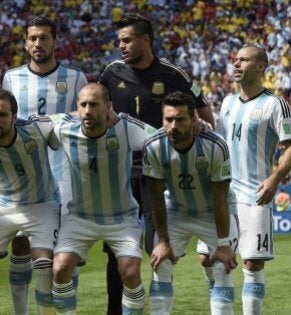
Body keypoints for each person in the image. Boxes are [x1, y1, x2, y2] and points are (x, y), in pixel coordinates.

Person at [99, 14, 215, 314]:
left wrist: (200, 128)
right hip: (120, 174)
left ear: (146, 40)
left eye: (127, 40)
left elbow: (206, 115)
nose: (121, 46)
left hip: (159, 176)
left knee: (158, 249)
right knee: (118, 251)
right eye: (119, 41)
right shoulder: (111, 73)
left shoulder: (174, 74)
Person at [198, 44, 291, 314]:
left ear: (260, 66)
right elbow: (220, 143)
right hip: (222, 194)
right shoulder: (228, 102)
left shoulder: (275, 104)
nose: (236, 64)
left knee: (252, 264)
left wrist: (275, 177)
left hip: (255, 195)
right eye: (235, 59)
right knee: (208, 260)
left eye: (244, 60)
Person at [1, 16, 87, 313]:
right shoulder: (11, 78)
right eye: (33, 38)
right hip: (25, 178)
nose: (38, 43)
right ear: (26, 42)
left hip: (66, 177)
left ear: (55, 42)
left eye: (44, 38)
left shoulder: (76, 79)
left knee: (66, 249)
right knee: (21, 245)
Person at [51, 83, 155, 315]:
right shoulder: (65, 128)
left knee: (129, 272)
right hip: (79, 218)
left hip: (121, 219)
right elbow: (34, 124)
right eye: (83, 105)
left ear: (108, 107)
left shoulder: (128, 128)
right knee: (59, 269)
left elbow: (160, 137)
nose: (88, 110)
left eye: (94, 104)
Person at [143, 91, 238, 314]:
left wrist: (224, 244)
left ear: (194, 119)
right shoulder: (154, 146)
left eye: (180, 119)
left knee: (222, 267)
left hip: (213, 212)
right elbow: (155, 197)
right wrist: (164, 242)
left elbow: (220, 199)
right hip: (176, 210)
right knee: (161, 264)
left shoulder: (216, 146)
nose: (173, 126)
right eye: (168, 119)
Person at [0, 89, 60, 314]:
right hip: (1, 204)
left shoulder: (36, 128)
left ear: (14, 117)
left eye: (1, 115)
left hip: (42, 203)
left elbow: (67, 120)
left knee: (43, 263)